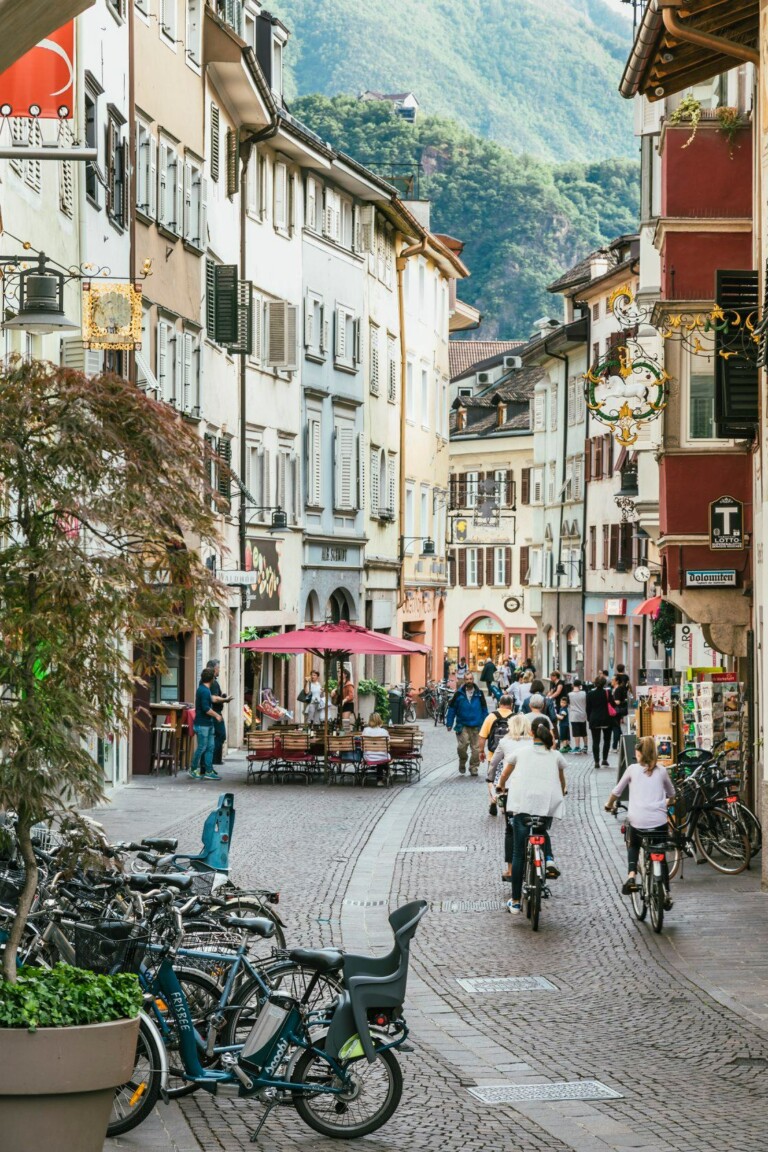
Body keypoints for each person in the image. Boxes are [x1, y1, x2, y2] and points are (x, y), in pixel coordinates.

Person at [497, 718, 566, 913]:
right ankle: (548, 859)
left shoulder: (520, 753)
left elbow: (505, 774)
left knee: (519, 853)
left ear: (532, 734)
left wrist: (500, 786)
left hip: (522, 804)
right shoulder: (556, 755)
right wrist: (562, 790)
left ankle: (516, 900)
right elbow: (561, 780)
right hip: (546, 805)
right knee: (541, 831)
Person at [605, 735, 675, 907]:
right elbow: (672, 795)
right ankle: (666, 892)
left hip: (638, 821)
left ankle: (631, 876)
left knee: (634, 843)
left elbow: (617, 791)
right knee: (661, 855)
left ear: (639, 753)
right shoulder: (662, 771)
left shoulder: (632, 769)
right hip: (659, 822)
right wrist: (668, 802)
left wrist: (609, 804)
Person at [479, 693, 515, 816]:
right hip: (511, 756)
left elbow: (482, 736)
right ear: (511, 705)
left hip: (493, 754)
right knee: (507, 778)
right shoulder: (516, 718)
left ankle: (492, 801)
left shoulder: (491, 717)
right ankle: (504, 801)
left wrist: (481, 751)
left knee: (491, 778)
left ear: (499, 704)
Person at [446, 672, 488, 776]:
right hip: (462, 724)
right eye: (467, 679)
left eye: (471, 679)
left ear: (473, 680)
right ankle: (462, 760)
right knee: (462, 747)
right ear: (464, 681)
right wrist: (449, 723)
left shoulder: (479, 693)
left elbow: (484, 709)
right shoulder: (458, 694)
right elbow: (452, 709)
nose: (469, 681)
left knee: (476, 749)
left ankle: (474, 767)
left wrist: (486, 724)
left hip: (477, 725)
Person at [190, 667, 224, 781]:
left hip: (208, 724)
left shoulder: (204, 689)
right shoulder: (204, 691)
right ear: (212, 679)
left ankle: (209, 771)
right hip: (203, 724)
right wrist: (217, 715)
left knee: (210, 747)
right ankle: (193, 769)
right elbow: (206, 708)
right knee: (202, 747)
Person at [206, 658, 231, 767]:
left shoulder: (207, 682)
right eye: (218, 668)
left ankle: (214, 759)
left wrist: (222, 697)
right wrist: (225, 699)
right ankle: (212, 759)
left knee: (215, 736)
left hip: (212, 713)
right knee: (221, 735)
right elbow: (213, 698)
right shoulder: (213, 683)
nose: (219, 670)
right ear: (214, 669)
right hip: (215, 713)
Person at [586, 674, 612, 768]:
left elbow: (588, 708)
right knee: (607, 740)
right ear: (604, 683)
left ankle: (596, 761)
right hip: (606, 719)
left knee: (595, 741)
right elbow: (612, 704)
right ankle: (604, 759)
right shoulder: (608, 693)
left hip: (594, 719)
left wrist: (589, 718)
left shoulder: (590, 694)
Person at [362, 711, 390, 787]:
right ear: (379, 720)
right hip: (382, 757)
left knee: (376, 754)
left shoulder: (365, 730)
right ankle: (381, 779)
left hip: (368, 756)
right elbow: (388, 743)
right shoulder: (384, 732)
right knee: (383, 755)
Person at [568, 679, 588, 754]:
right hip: (583, 714)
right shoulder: (584, 693)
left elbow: (568, 704)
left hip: (574, 715)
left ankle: (577, 747)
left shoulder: (570, 694)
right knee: (584, 731)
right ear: (580, 685)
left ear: (573, 685)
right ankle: (585, 746)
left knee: (576, 732)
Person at [610, 674, 629, 752]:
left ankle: (614, 747)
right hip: (617, 711)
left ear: (616, 681)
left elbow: (617, 701)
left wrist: (609, 702)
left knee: (615, 728)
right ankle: (622, 744)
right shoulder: (616, 688)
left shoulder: (618, 689)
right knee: (617, 728)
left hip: (616, 711)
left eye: (612, 680)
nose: (611, 681)